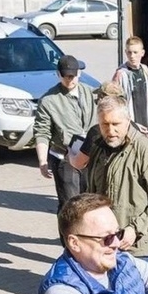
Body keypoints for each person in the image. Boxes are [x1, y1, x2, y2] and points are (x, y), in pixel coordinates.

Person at [84, 95, 148, 264]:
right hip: (103, 246)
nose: (110, 131)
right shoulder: (98, 148)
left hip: (137, 250)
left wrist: (135, 229)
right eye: (105, 124)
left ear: (128, 120)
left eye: (116, 124)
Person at [34, 55, 97, 212]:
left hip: (89, 156)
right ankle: (67, 236)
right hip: (64, 158)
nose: (69, 80)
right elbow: (42, 132)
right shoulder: (48, 100)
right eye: (65, 76)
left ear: (79, 74)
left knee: (90, 202)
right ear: (58, 74)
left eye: (73, 76)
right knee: (70, 205)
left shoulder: (91, 93)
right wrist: (43, 160)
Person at [68, 81, 125, 172]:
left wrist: (70, 154)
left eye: (98, 98)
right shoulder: (133, 128)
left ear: (103, 100)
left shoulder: (97, 132)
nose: (96, 101)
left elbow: (79, 163)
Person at [113, 36, 148, 134]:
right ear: (125, 52)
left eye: (135, 52)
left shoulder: (145, 70)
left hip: (145, 123)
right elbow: (115, 104)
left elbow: (147, 99)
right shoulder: (121, 74)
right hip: (129, 126)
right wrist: (131, 124)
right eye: (129, 52)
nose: (132, 56)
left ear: (142, 53)